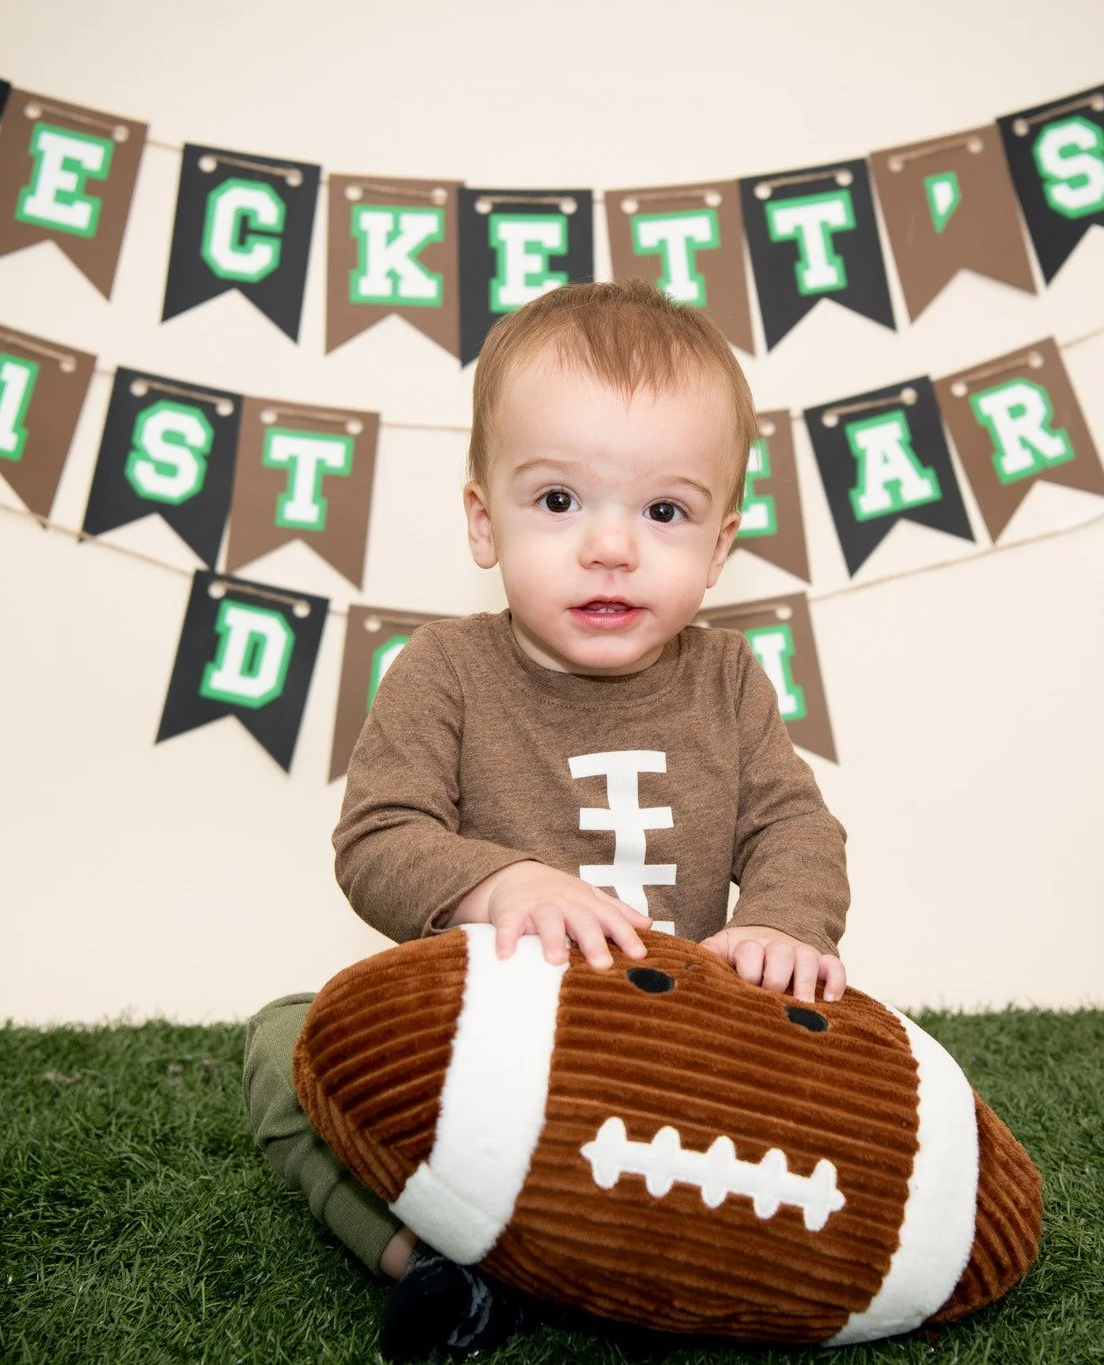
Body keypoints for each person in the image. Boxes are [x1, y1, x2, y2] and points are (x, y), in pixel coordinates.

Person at [242, 278, 851, 1361]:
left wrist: (779, 928)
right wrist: (503, 884)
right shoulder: (443, 671)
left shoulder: (727, 680)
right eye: (558, 502)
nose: (609, 547)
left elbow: (794, 826)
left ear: (718, 547)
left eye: (662, 511)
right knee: (291, 1041)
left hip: (674, 1057)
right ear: (484, 520)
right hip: (493, 1053)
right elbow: (377, 836)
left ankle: (702, 1260)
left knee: (838, 1079)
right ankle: (433, 1268)